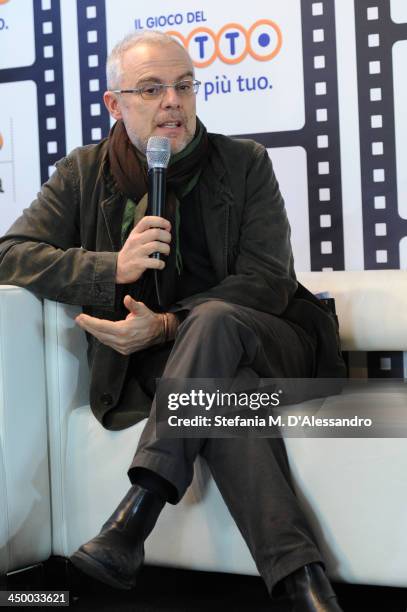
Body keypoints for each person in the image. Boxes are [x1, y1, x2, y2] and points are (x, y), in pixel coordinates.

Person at [0, 31, 346, 611]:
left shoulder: (245, 163)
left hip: (272, 344)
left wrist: (166, 326)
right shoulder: (85, 174)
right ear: (115, 104)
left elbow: (267, 279)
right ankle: (303, 587)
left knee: (211, 320)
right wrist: (113, 266)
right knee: (219, 394)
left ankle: (137, 514)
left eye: (184, 86)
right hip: (187, 376)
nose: (173, 103)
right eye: (152, 89)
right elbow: (10, 252)